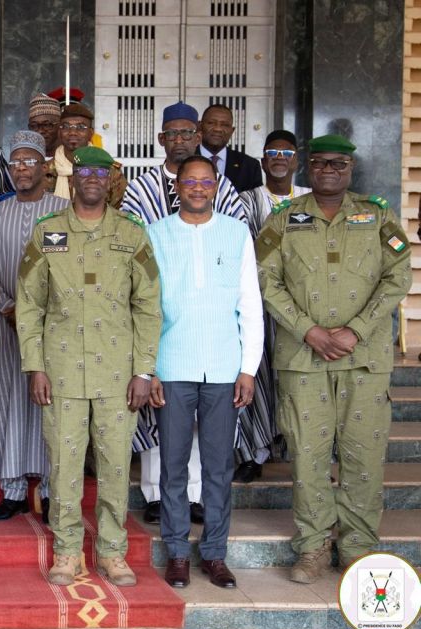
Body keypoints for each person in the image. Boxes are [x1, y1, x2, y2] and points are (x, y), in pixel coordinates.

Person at [256, 134, 411, 583]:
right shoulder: (284, 220)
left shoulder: (378, 216)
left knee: (364, 455)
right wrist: (309, 330)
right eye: (320, 163)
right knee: (308, 455)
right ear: (308, 167)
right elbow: (267, 282)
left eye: (338, 164)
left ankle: (359, 546)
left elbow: (397, 277)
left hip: (364, 358)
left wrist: (354, 331)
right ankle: (312, 547)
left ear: (350, 169)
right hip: (304, 359)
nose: (328, 170)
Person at [16, 146, 161, 587]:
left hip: (118, 375)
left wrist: (143, 371)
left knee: (116, 465)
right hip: (60, 372)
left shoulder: (132, 234)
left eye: (102, 172)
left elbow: (149, 306)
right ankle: (66, 552)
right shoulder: (48, 233)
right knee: (63, 464)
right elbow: (29, 305)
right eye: (85, 172)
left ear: (111, 180)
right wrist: (34, 366)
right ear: (73, 179)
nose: (93, 179)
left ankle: (113, 553)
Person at [121, 101, 248, 524]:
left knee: (208, 447)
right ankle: (158, 497)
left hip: (215, 342)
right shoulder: (141, 191)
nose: (179, 140)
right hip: (166, 338)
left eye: (186, 133)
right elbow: (133, 250)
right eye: (171, 134)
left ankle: (196, 500)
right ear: (161, 140)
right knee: (165, 437)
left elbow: (233, 240)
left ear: (197, 137)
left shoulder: (225, 192)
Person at [148, 155, 263, 591]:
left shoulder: (236, 234)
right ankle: (177, 552)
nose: (197, 187)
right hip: (172, 366)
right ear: (176, 185)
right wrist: (149, 369)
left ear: (216, 186)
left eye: (205, 181)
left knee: (217, 468)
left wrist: (247, 369)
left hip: (222, 367)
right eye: (189, 181)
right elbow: (147, 306)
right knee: (173, 466)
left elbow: (249, 303)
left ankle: (214, 554)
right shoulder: (156, 234)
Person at [0, 131, 68, 523]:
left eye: (29, 161)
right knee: (8, 401)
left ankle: (48, 491)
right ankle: (12, 491)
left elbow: (71, 268)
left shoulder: (65, 211)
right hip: (6, 324)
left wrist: (44, 313)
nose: (21, 169)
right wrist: (9, 306)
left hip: (57, 327)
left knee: (50, 404)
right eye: (15, 163)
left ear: (45, 165)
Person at [234, 129, 311, 483]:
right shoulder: (247, 199)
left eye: (286, 152)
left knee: (299, 381)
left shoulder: (310, 200)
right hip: (261, 303)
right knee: (259, 377)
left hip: (305, 308)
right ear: (263, 161)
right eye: (272, 152)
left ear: (297, 160)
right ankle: (255, 452)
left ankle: (305, 453)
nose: (279, 158)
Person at [49, 103, 127, 208]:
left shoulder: (109, 171)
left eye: (81, 127)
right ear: (59, 132)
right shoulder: (45, 171)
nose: (72, 132)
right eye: (66, 126)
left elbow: (121, 213)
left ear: (91, 133)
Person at [199, 103, 263, 193]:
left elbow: (254, 203)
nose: (218, 129)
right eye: (211, 123)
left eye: (225, 125)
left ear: (232, 131)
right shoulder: (184, 160)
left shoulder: (250, 166)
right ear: (200, 126)